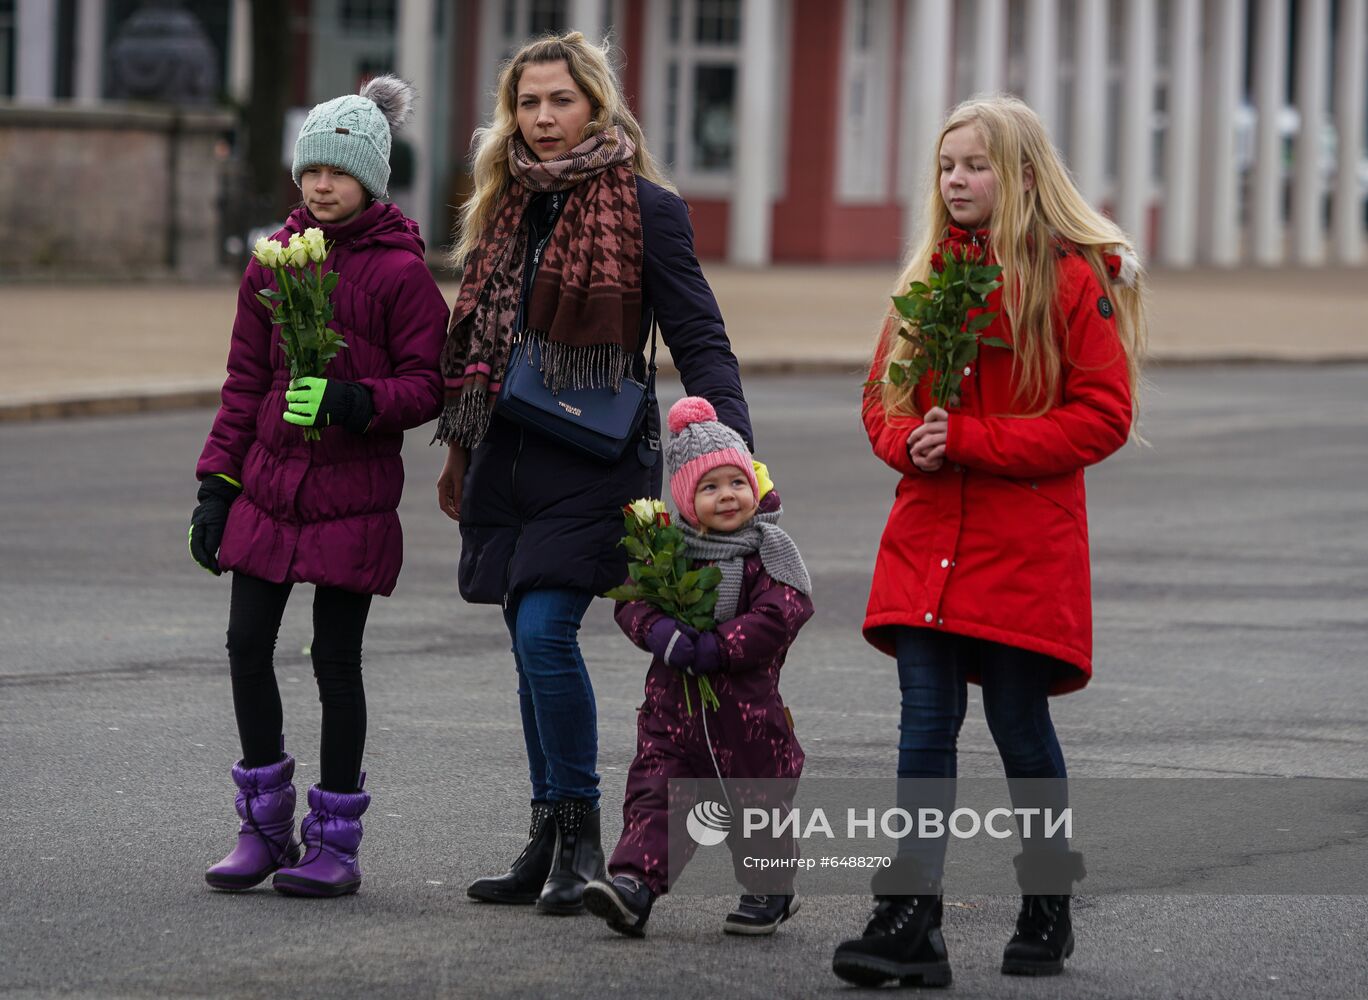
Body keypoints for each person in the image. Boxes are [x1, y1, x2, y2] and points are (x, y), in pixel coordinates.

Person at [434, 32, 752, 916]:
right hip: (505, 453)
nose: (542, 119)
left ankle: (580, 836)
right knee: (522, 641)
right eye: (527, 103)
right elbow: (478, 344)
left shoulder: (647, 208)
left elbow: (700, 339)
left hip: (596, 455)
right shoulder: (504, 205)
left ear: (597, 105)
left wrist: (734, 452)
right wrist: (459, 451)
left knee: (544, 633)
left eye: (559, 101)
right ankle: (548, 835)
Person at [831, 95, 1146, 987]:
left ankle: (1047, 899)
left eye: (975, 166)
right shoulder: (928, 276)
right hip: (927, 534)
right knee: (924, 723)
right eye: (946, 166)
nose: (957, 181)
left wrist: (972, 441)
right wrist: (910, 442)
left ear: (1022, 178)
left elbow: (1103, 416)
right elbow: (882, 401)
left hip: (1023, 548)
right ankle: (911, 917)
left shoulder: (1070, 280)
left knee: (1017, 720)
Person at [191, 76, 449, 898]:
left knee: (335, 660)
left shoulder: (402, 274)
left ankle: (334, 841)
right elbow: (241, 384)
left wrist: (355, 401)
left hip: (351, 494)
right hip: (268, 487)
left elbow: (427, 384)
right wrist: (216, 486)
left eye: (337, 172)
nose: (320, 186)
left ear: (370, 177)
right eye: (310, 172)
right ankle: (262, 825)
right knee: (245, 645)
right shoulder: (272, 262)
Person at [581, 397, 813, 938]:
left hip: (748, 714)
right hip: (673, 709)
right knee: (656, 792)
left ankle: (770, 888)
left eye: (735, 482)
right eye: (709, 488)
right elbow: (632, 602)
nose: (726, 496)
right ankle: (633, 886)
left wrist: (718, 648)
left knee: (757, 799)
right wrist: (660, 632)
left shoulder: (769, 551)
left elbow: (782, 613)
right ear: (687, 502)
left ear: (752, 485)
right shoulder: (668, 551)